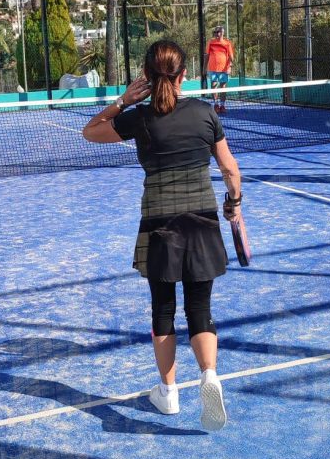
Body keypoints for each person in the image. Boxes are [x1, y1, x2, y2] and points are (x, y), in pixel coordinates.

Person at [82, 40, 243, 432]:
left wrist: (123, 101)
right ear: (184, 74)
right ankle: (209, 376)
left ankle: (168, 393)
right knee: (200, 309)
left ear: (146, 77)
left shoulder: (138, 118)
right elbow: (229, 169)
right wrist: (233, 204)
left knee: (163, 310)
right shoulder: (205, 113)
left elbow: (90, 132)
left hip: (159, 225)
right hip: (202, 222)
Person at [204, 26, 234, 113]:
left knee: (223, 87)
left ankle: (222, 105)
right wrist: (204, 68)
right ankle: (216, 104)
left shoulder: (227, 43)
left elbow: (231, 57)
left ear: (222, 33)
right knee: (213, 86)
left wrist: (229, 67)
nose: (217, 34)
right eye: (216, 32)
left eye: (218, 32)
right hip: (212, 69)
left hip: (224, 70)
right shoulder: (210, 42)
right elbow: (207, 55)